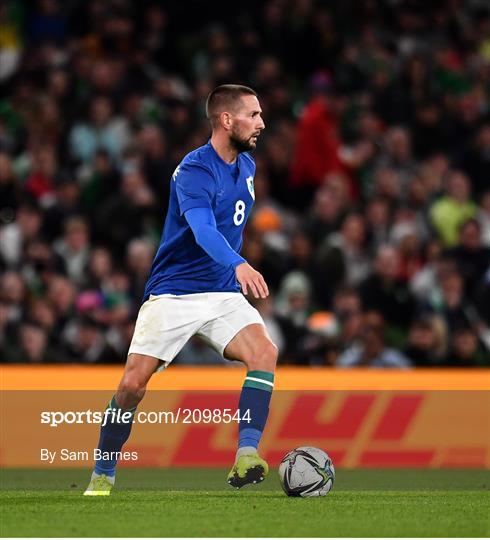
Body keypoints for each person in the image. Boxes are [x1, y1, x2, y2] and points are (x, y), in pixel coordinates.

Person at [84, 85, 277, 496]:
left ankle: (246, 454)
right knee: (132, 385)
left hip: (222, 292)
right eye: (254, 115)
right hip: (175, 291)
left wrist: (231, 269)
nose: (262, 123)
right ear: (227, 120)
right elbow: (203, 229)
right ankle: (103, 473)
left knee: (264, 352)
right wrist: (238, 262)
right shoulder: (193, 170)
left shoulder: (247, 166)